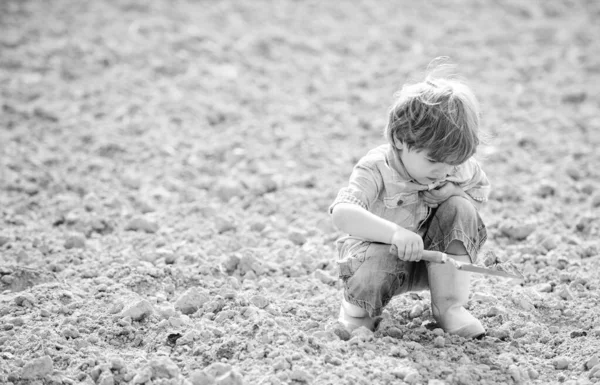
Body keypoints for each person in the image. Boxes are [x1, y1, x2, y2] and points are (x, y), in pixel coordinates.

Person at [329, 62, 491, 338]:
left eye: (453, 163)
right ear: (399, 139)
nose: (443, 171)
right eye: (433, 160)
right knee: (373, 268)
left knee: (460, 207)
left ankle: (449, 307)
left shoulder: (451, 166)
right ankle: (357, 309)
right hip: (376, 260)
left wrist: (454, 192)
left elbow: (476, 202)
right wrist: (395, 234)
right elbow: (342, 213)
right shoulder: (376, 168)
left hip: (434, 263)